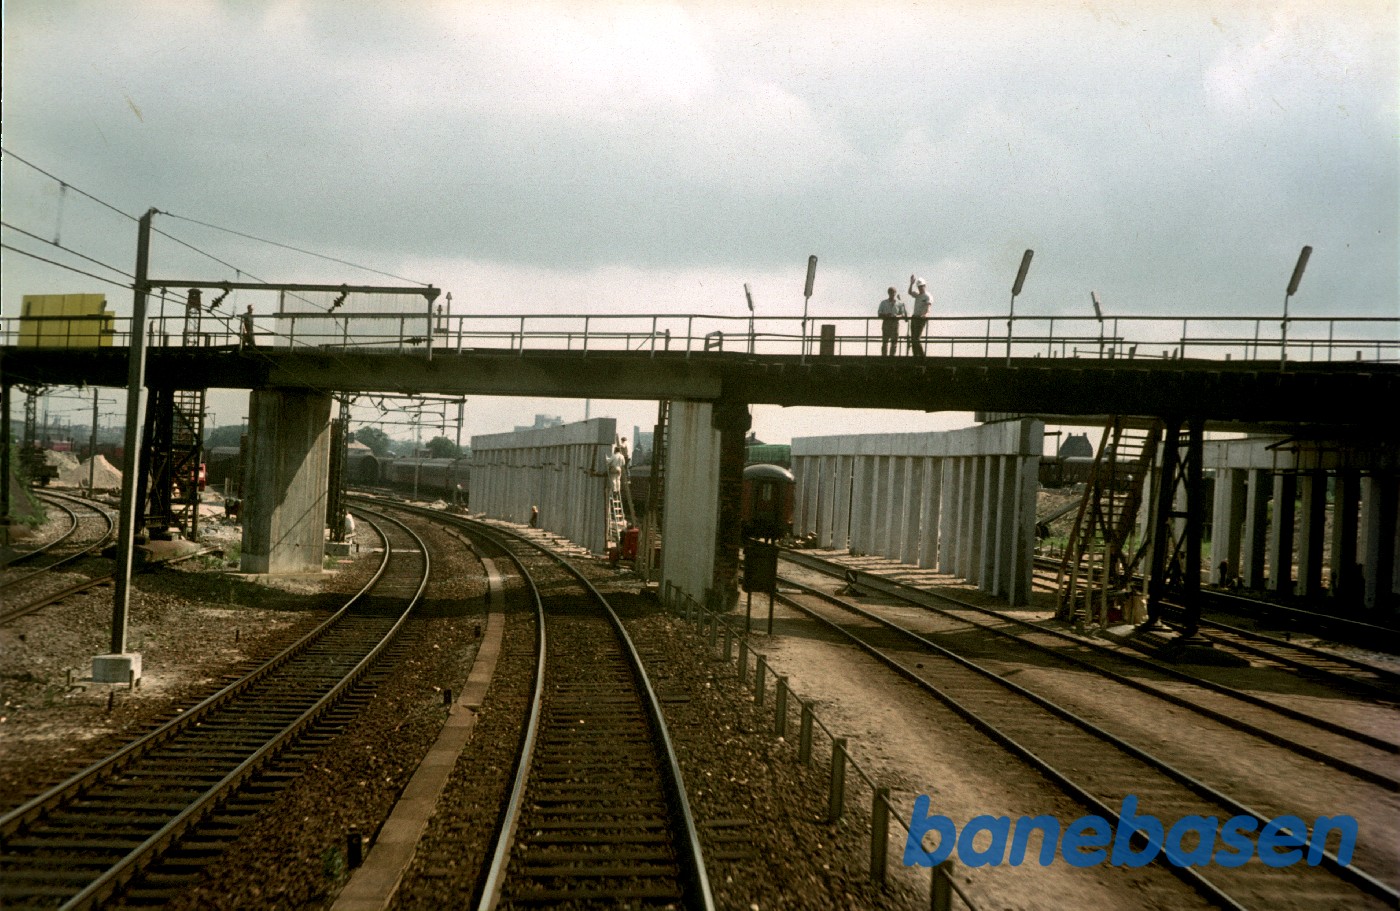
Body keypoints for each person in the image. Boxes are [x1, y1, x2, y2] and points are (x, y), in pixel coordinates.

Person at [877, 287, 906, 356]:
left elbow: (903, 314)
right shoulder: (883, 303)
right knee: (885, 342)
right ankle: (884, 357)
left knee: (894, 343)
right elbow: (879, 313)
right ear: (888, 293)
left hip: (895, 323)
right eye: (890, 292)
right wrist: (886, 315)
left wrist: (897, 316)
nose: (892, 294)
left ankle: (892, 357)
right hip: (886, 323)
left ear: (895, 293)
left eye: (893, 292)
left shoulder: (899, 303)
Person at [907, 275, 931, 356]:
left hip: (920, 318)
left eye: (921, 286)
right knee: (913, 339)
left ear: (925, 286)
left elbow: (928, 307)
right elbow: (909, 292)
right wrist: (911, 283)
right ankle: (915, 356)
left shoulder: (927, 296)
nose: (920, 288)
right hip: (914, 317)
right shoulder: (917, 295)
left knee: (916, 338)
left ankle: (922, 356)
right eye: (919, 286)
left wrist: (925, 314)